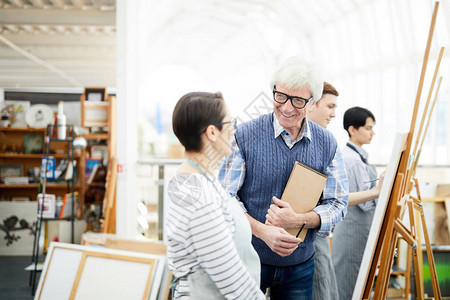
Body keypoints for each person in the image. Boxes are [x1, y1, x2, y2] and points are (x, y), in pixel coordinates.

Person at [219, 57, 349, 299]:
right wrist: (262, 231)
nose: (287, 107)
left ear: (312, 102)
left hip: (300, 265)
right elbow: (225, 199)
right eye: (281, 96)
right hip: (249, 258)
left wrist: (300, 219)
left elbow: (339, 203)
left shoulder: (327, 142)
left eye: (298, 100)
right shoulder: (244, 135)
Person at [167, 92, 265, 299]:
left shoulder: (199, 179)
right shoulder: (198, 197)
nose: (234, 129)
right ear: (212, 132)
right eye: (231, 122)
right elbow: (231, 277)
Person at [332, 106, 382, 300]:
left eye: (372, 128)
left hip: (359, 230)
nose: (372, 132)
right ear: (352, 129)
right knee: (348, 284)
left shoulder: (359, 156)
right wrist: (383, 192)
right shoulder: (351, 159)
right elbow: (364, 202)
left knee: (356, 283)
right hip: (352, 232)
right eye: (368, 128)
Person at [307, 82, 340, 300]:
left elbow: (337, 200)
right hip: (303, 240)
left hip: (316, 233)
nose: (333, 114)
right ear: (311, 105)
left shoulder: (326, 143)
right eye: (329, 106)